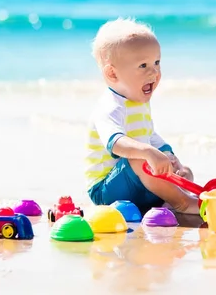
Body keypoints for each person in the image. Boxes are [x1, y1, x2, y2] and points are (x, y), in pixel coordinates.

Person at [85, 17, 199, 215]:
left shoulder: (138, 103)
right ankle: (181, 203)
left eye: (156, 62)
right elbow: (116, 143)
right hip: (106, 190)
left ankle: (175, 197)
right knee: (140, 157)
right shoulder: (109, 107)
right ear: (113, 74)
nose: (154, 72)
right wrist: (147, 151)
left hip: (136, 183)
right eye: (143, 66)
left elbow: (150, 135)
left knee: (183, 171)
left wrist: (168, 155)